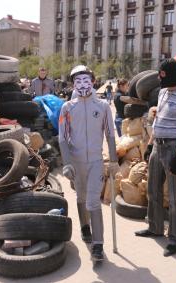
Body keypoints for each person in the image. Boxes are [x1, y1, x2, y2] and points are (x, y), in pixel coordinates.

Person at [135, 59, 176, 257]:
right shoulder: (162, 92)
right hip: (158, 146)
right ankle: (155, 227)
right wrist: (150, 144)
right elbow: (157, 120)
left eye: (164, 77)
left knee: (175, 197)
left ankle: (175, 239)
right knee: (153, 189)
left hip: (174, 148)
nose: (161, 82)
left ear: (174, 76)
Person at [58, 65, 119, 261]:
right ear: (73, 83)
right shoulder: (67, 108)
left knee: (93, 201)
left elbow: (110, 134)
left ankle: (98, 245)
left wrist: (114, 159)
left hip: (95, 161)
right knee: (81, 197)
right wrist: (66, 162)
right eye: (78, 80)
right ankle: (85, 227)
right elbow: (62, 137)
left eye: (86, 80)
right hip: (76, 162)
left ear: (93, 82)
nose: (83, 84)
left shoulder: (102, 106)